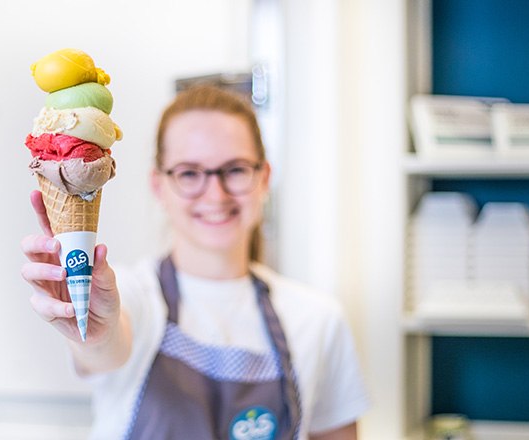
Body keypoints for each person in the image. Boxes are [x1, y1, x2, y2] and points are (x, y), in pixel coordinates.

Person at [21, 85, 369, 440]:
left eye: (234, 170)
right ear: (159, 186)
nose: (215, 194)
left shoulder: (318, 320)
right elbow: (106, 347)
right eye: (189, 173)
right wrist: (93, 331)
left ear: (263, 179)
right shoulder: (128, 296)